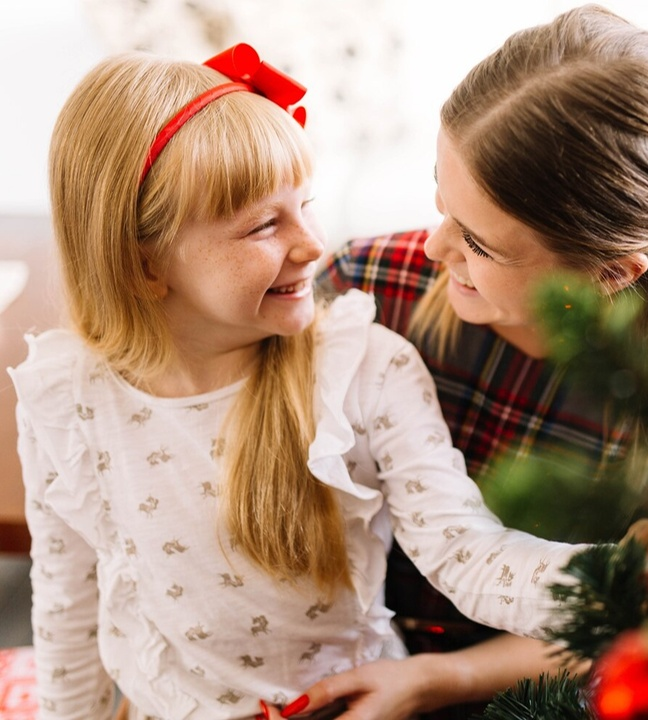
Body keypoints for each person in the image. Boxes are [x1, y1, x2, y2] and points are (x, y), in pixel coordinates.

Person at [10, 42, 598, 720]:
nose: (314, 245)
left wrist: (631, 586)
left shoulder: (363, 369)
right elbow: (66, 606)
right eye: (264, 224)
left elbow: (467, 554)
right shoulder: (68, 400)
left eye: (307, 205)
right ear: (143, 266)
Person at [306, 4, 648, 719]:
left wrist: (438, 682)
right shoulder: (367, 289)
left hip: (519, 694)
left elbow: (627, 623)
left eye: (480, 244)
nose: (438, 248)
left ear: (608, 275)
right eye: (441, 197)